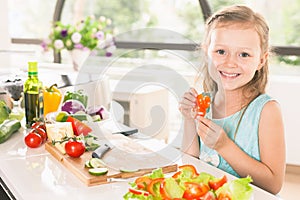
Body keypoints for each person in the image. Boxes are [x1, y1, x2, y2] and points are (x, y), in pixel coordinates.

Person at [179, 5, 285, 194]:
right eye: (221, 52)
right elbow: (190, 164)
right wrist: (188, 118)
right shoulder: (204, 102)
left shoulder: (266, 111)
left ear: (261, 60)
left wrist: (224, 146)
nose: (230, 63)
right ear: (206, 52)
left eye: (244, 54)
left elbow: (273, 184)